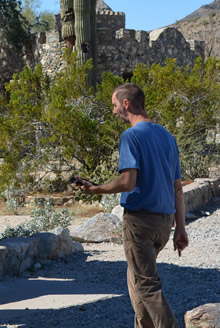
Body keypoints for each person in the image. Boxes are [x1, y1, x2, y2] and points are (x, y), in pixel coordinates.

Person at [78, 83, 188, 328]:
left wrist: (96, 189)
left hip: (140, 222)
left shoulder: (131, 135)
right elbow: (177, 187)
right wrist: (180, 228)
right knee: (136, 281)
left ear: (126, 104)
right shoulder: (167, 137)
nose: (114, 111)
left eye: (115, 106)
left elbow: (128, 182)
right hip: (164, 221)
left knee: (146, 285)